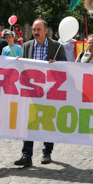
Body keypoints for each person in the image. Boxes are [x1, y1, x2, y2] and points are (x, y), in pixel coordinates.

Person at [14, 18, 68, 167]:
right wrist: (18, 62)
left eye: (38, 30)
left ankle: (47, 152)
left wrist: (57, 65)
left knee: (47, 122)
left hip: (49, 92)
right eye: (33, 30)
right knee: (29, 122)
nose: (35, 33)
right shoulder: (26, 46)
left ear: (46, 31)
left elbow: (65, 67)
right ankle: (26, 154)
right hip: (32, 91)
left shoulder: (56, 47)